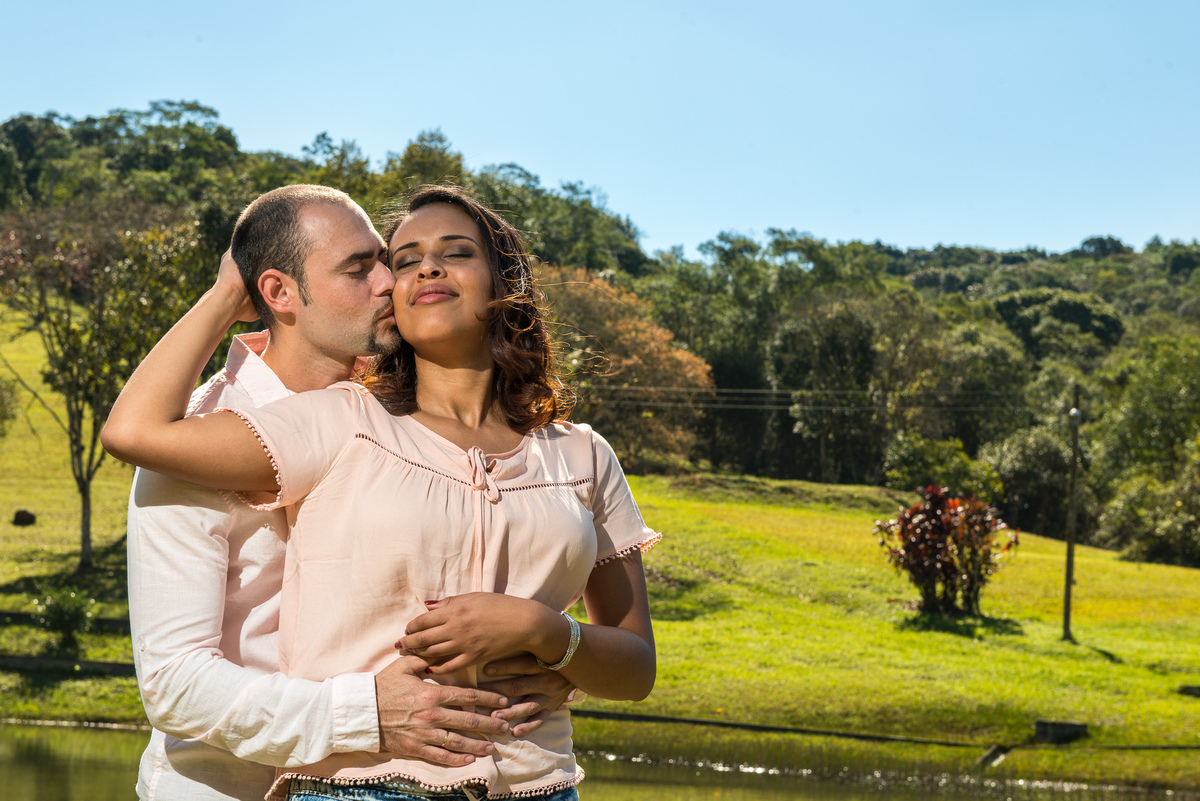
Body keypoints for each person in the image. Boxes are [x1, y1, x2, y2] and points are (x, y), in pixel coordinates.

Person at [104, 185, 658, 800]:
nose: (396, 279)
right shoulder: (286, 427)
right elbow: (176, 683)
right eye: (367, 266)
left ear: (504, 282)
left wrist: (551, 643)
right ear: (277, 292)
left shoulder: (562, 449)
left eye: (384, 262)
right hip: (246, 785)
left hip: (528, 778)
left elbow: (611, 650)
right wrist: (223, 295)